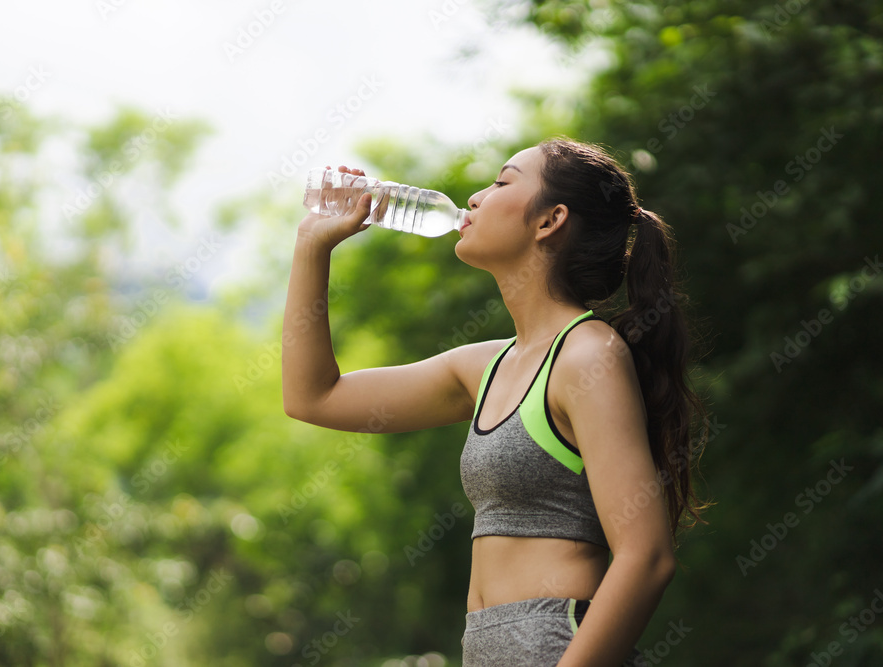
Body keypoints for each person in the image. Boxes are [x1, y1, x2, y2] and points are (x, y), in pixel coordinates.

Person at [281, 138, 709, 666]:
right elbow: (314, 397)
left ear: (550, 220)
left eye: (503, 182)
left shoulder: (587, 356)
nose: (476, 198)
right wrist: (312, 245)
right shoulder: (484, 367)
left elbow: (647, 557)